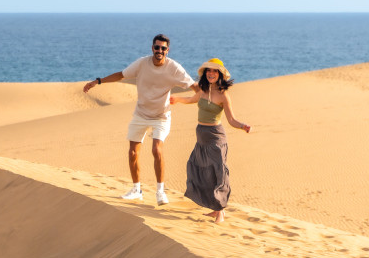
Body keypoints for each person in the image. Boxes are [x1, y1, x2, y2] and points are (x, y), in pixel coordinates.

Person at [83, 34, 196, 205]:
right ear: (152, 48)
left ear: (167, 50)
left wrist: (208, 95)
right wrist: (97, 81)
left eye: (163, 48)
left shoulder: (174, 68)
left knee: (156, 150)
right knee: (133, 152)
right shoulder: (142, 63)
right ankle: (136, 190)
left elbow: (194, 86)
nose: (159, 50)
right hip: (141, 114)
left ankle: (160, 192)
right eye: (157, 47)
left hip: (161, 116)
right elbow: (121, 75)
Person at [170, 58, 251, 223]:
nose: (211, 73)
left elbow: (231, 120)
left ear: (220, 74)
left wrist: (243, 126)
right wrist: (177, 99)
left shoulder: (223, 95)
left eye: (215, 71)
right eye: (209, 70)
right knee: (202, 171)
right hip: (201, 136)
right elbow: (191, 100)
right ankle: (215, 208)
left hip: (215, 137)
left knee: (218, 173)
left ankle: (220, 211)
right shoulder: (203, 90)